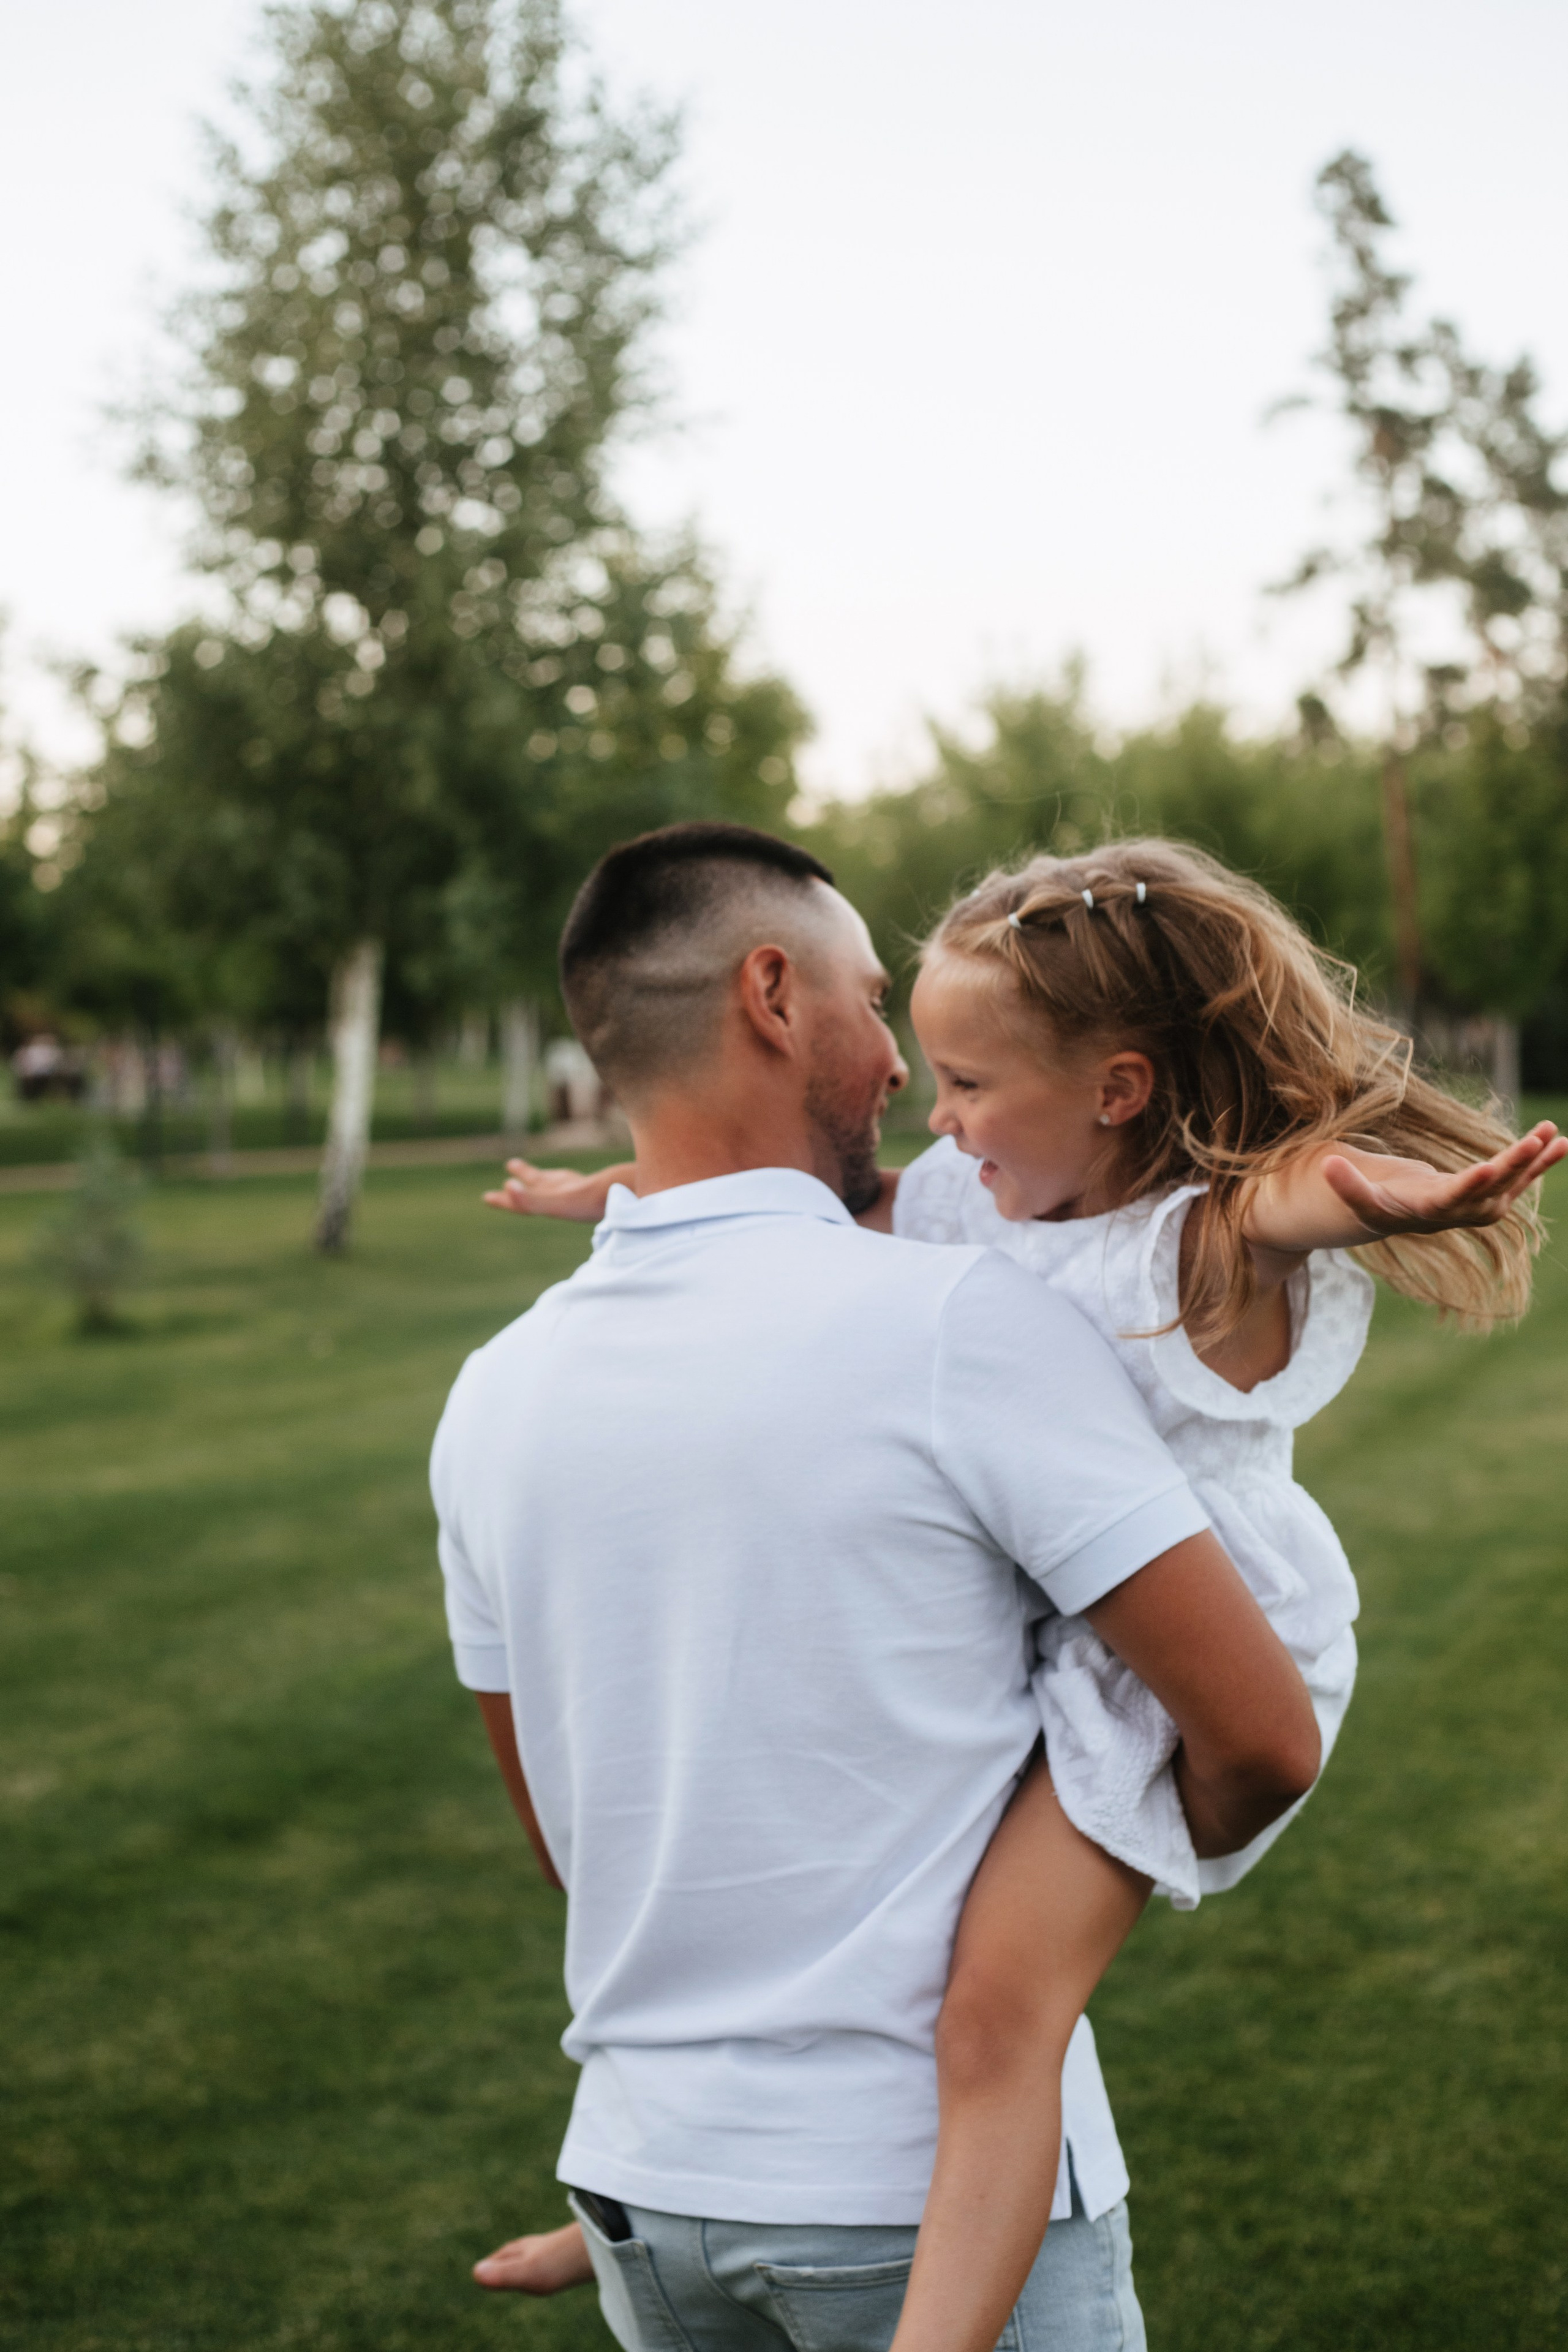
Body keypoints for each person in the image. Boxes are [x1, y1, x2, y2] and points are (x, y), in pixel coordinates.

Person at [488, 832, 1561, 2352]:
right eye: (918, 1054)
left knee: (995, 2012)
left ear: (1113, 1090)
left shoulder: (1177, 1231)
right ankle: (673, 2207)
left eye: (971, 1083)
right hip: (1068, 1626)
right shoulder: (960, 1209)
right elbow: (734, 1196)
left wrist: (1378, 1199)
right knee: (874, 1915)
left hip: (1178, 1653)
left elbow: (1279, 1204)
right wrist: (599, 1197)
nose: (934, 1110)